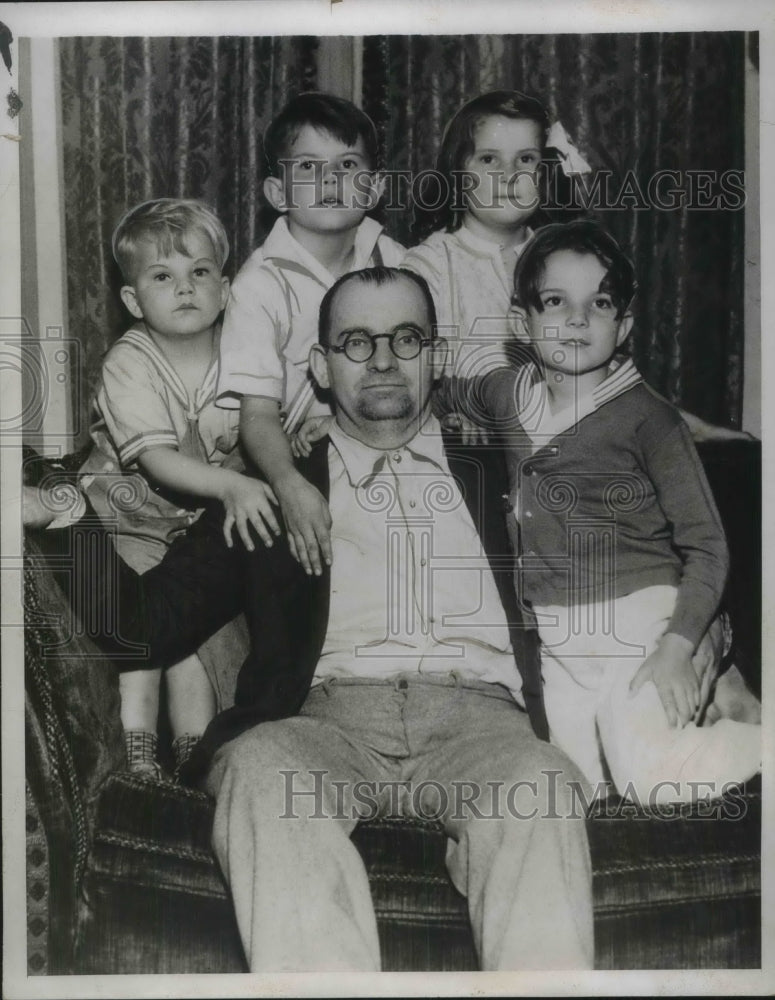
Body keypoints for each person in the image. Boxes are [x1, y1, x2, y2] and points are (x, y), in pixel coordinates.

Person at [26, 267, 595, 972]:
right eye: (356, 342)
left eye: (405, 339)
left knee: (541, 789)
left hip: (484, 731)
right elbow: (143, 628)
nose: (382, 360)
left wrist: (696, 637)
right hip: (323, 727)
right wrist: (65, 515)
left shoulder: (510, 472)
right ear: (321, 367)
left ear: (437, 355)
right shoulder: (268, 494)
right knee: (262, 770)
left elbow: (628, 564)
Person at [437, 221, 761, 803]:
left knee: (646, 778)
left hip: (641, 627)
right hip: (559, 644)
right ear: (521, 323)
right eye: (555, 302)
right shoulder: (508, 394)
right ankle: (704, 726)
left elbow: (708, 546)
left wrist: (677, 645)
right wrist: (342, 414)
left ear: (624, 326)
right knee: (572, 793)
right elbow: (447, 390)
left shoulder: (649, 421)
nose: (579, 319)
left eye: (600, 303)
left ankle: (759, 743)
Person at [401, 89, 755, 446]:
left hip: (575, 432)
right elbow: (410, 372)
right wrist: (443, 412)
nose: (508, 175)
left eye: (526, 159)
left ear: (545, 174)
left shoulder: (568, 257)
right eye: (489, 159)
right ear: (458, 171)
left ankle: (682, 426)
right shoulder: (430, 265)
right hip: (481, 441)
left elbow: (606, 365)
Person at [78, 198, 279, 777]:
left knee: (195, 641)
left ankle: (193, 754)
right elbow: (158, 460)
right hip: (130, 518)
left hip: (196, 527)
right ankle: (137, 753)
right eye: (162, 277)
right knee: (143, 639)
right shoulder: (128, 362)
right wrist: (232, 487)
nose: (185, 288)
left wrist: (305, 428)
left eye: (200, 272)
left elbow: (265, 426)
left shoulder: (243, 354)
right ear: (132, 300)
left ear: (226, 287)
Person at [216, 92, 404, 577]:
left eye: (348, 165)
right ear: (277, 193)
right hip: (278, 460)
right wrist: (289, 485)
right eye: (307, 167)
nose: (330, 180)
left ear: (374, 188)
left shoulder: (397, 261)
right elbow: (257, 418)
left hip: (379, 443)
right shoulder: (260, 285)